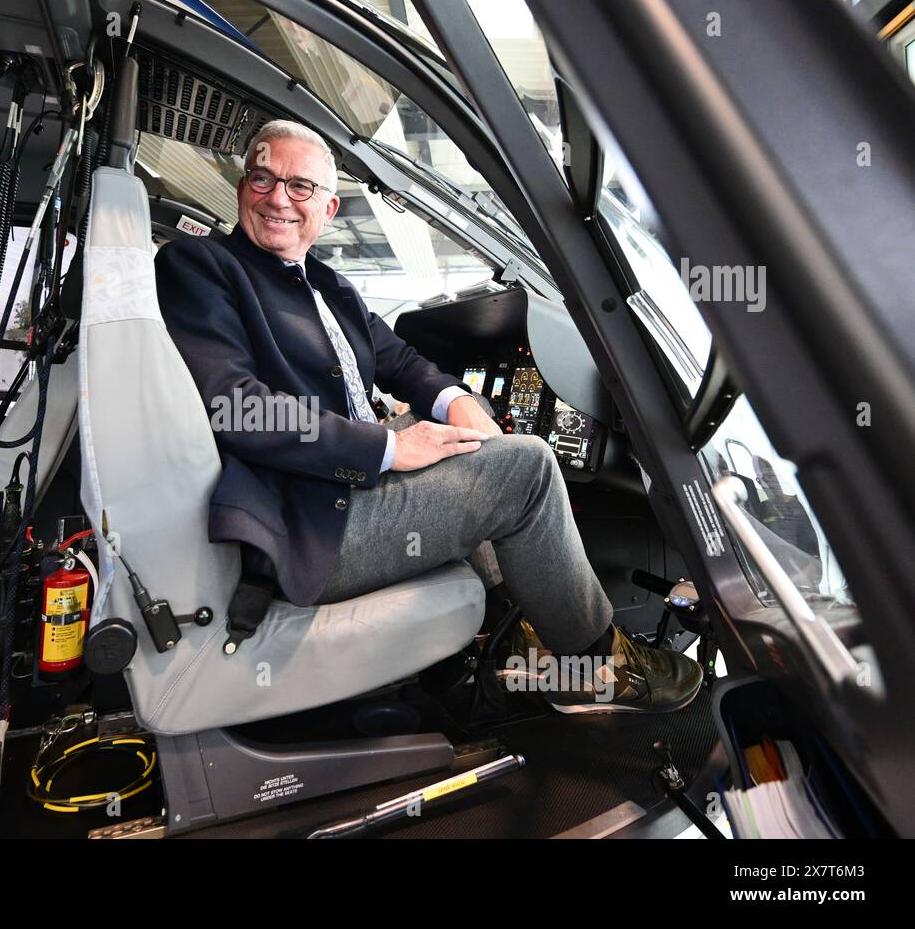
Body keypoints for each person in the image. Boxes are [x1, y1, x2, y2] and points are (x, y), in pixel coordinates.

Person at [155, 120, 701, 714]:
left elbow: (403, 362)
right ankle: (597, 666)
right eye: (262, 178)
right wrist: (387, 449)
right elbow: (237, 406)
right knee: (528, 470)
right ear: (242, 187)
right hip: (304, 516)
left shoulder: (329, 286)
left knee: (468, 438)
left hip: (337, 486)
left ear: (330, 207)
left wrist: (457, 402)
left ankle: (501, 638)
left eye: (299, 186)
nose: (277, 197)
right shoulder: (203, 265)